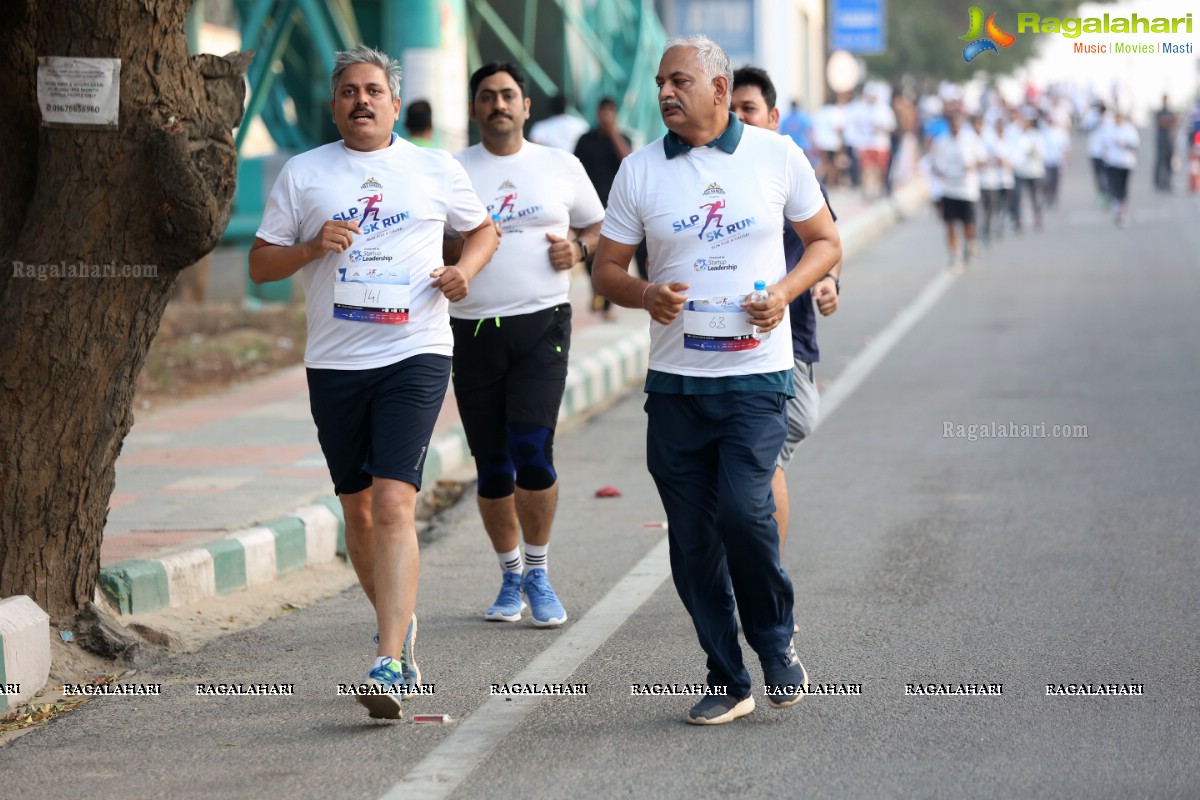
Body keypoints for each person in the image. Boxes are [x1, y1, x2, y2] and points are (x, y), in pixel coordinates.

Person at [592, 36, 841, 725]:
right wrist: (646, 296)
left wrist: (786, 291)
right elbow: (606, 269)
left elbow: (826, 242)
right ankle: (725, 676)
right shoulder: (640, 171)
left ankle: (775, 642)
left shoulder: (776, 155)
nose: (666, 93)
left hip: (756, 377)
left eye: (679, 81)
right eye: (660, 83)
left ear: (719, 88)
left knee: (743, 513)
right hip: (675, 384)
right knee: (692, 538)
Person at [248, 44, 498, 720]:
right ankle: (398, 618)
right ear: (335, 106)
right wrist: (309, 247)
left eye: (372, 91)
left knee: (392, 503)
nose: (361, 101)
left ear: (393, 102)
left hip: (415, 351)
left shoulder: (433, 168)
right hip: (335, 361)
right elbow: (260, 266)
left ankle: (390, 660)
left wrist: (465, 272)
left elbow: (483, 232)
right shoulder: (305, 174)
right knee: (355, 510)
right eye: (349, 92)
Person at [451, 62, 605, 627]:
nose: (498, 105)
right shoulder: (451, 170)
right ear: (474, 109)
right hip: (472, 329)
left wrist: (580, 252)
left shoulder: (559, 166)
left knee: (532, 451)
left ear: (526, 106)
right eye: (487, 96)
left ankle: (538, 571)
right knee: (491, 464)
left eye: (508, 95)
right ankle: (509, 574)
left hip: (543, 324)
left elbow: (598, 227)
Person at [730, 65, 840, 571]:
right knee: (746, 464)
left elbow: (827, 238)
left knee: (763, 459)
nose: (737, 118)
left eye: (748, 109)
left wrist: (827, 281)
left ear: (773, 116)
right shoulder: (706, 170)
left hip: (786, 341)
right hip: (715, 347)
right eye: (730, 109)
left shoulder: (787, 164)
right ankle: (745, 577)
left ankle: (762, 580)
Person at [574, 97, 634, 318]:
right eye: (603, 111)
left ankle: (607, 304)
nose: (606, 115)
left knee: (611, 255)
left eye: (610, 111)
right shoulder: (585, 140)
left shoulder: (622, 138)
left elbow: (629, 161)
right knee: (589, 252)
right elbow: (575, 170)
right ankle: (597, 292)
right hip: (589, 207)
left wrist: (614, 134)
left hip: (615, 208)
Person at [929, 112, 986, 272]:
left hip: (967, 190)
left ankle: (970, 243)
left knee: (968, 223)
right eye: (952, 125)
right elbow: (933, 162)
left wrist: (971, 167)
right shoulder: (941, 142)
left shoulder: (971, 140)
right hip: (949, 189)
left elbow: (982, 160)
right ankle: (954, 256)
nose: (955, 128)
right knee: (950, 224)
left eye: (957, 124)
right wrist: (940, 172)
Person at [1102, 108, 1139, 228]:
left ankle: (1122, 207)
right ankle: (1117, 206)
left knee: (1123, 186)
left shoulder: (1129, 129)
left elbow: (1135, 144)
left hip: (1125, 163)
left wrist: (1123, 144)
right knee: (1114, 185)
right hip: (1112, 162)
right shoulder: (1109, 129)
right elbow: (1104, 144)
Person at [1009, 108, 1044, 233]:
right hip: (1019, 171)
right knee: (1017, 196)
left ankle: (1037, 217)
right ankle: (1018, 220)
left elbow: (1039, 152)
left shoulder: (1036, 135)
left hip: (1034, 171)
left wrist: (1030, 151)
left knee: (1035, 196)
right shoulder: (1016, 135)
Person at [1154, 95, 1178, 192]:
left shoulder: (1170, 112)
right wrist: (1169, 121)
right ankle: (1158, 183)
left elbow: (1175, 122)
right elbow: (1161, 123)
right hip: (1161, 141)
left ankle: (1168, 183)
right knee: (1160, 162)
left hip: (1169, 141)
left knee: (1169, 163)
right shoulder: (1159, 112)